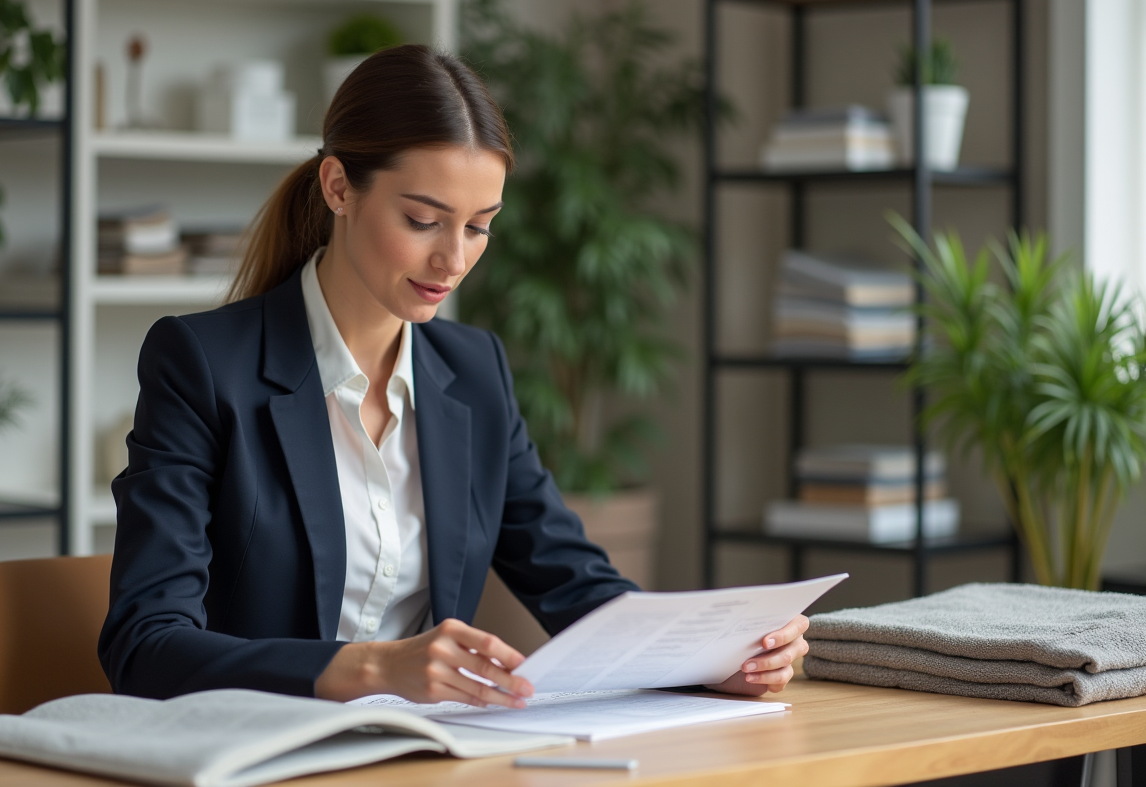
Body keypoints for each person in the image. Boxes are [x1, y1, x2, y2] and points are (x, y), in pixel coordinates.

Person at [98, 45, 809, 709]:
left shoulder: (473, 372)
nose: (454, 260)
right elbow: (144, 646)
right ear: (339, 186)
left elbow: (574, 582)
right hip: (259, 754)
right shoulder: (202, 363)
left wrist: (712, 656)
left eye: (478, 226)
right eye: (422, 220)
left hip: (424, 756)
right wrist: (372, 669)